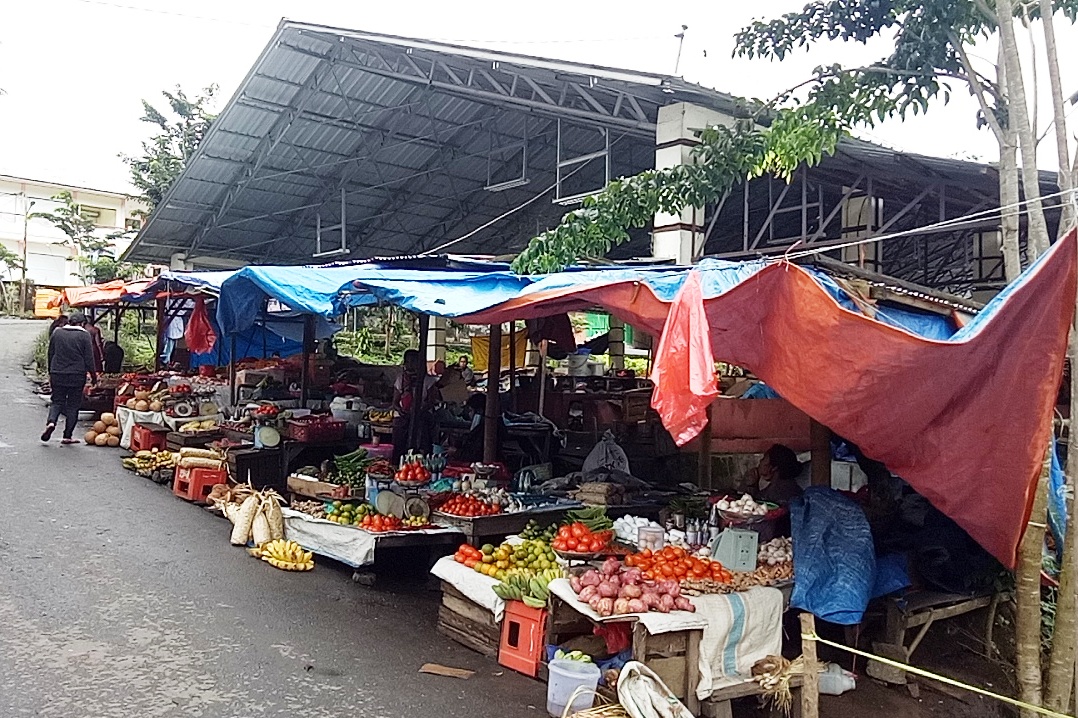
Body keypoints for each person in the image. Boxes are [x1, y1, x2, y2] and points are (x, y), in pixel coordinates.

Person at [42, 311, 97, 443]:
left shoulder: (57, 332)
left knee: (57, 401)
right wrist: (94, 376)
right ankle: (67, 436)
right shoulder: (84, 335)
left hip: (57, 373)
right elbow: (89, 358)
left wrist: (50, 372)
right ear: (82, 323)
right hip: (76, 375)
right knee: (73, 405)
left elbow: (51, 354)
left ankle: (51, 422)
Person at [391, 350, 439, 461]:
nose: (411, 364)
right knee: (399, 443)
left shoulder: (428, 380)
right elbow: (395, 402)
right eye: (409, 361)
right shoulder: (401, 379)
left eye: (414, 361)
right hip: (403, 416)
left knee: (422, 439)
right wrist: (401, 410)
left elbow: (431, 402)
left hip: (421, 415)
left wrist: (419, 410)